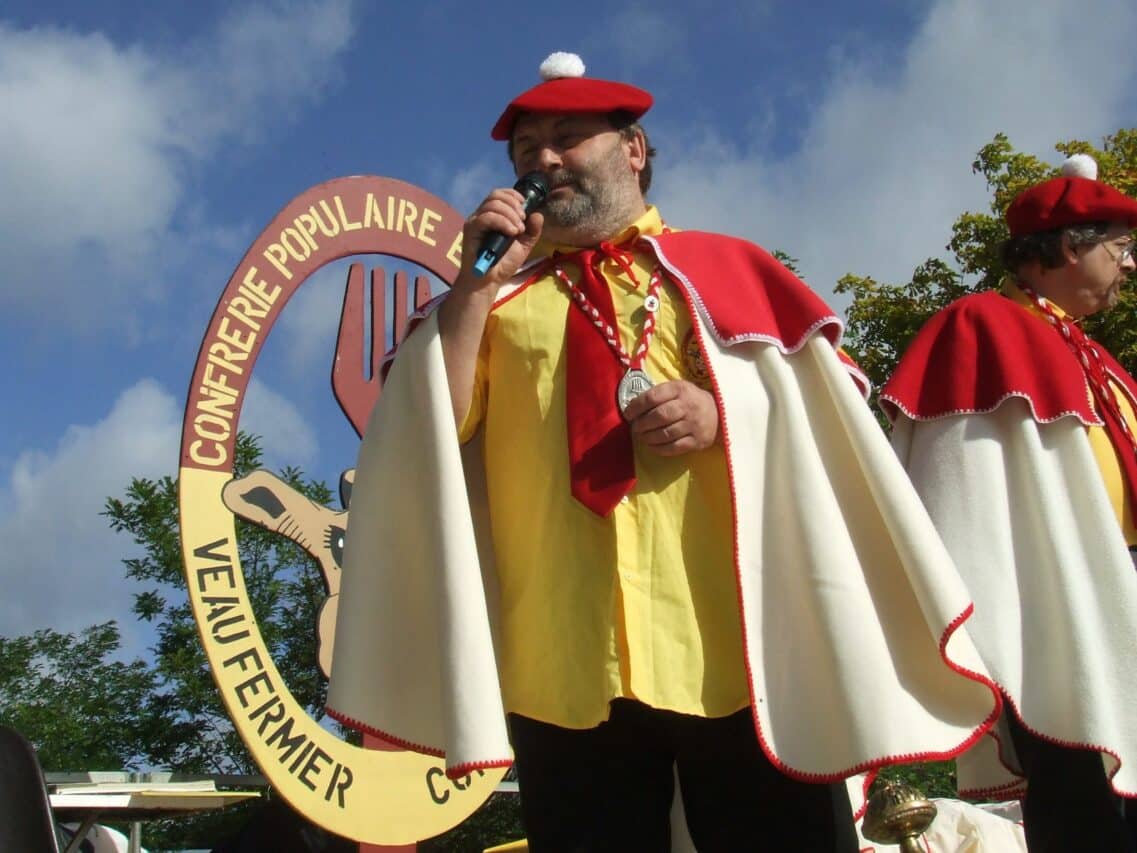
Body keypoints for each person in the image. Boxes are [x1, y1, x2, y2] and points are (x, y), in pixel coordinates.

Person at [328, 52, 1000, 852]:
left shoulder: (727, 270)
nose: (542, 161)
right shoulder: (490, 303)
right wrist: (471, 287)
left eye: (567, 138)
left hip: (737, 654)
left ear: (634, 150)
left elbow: (823, 432)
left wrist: (723, 414)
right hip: (561, 662)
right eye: (524, 152)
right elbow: (426, 432)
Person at [881, 154, 1137, 852]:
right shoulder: (980, 326)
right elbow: (958, 492)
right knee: (1079, 786)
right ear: (1068, 245)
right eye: (1121, 246)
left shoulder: (1093, 356)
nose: (1130, 265)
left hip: (1119, 583)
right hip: (1049, 597)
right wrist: (984, 613)